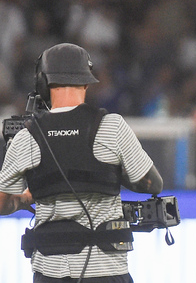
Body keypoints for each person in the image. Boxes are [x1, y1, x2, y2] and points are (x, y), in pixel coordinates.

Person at [0, 43, 163, 282]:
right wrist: (115, 173)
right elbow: (152, 184)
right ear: (86, 82)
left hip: (50, 273)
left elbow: (2, 203)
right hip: (107, 271)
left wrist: (25, 198)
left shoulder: (27, 136)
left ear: (44, 84)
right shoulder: (111, 126)